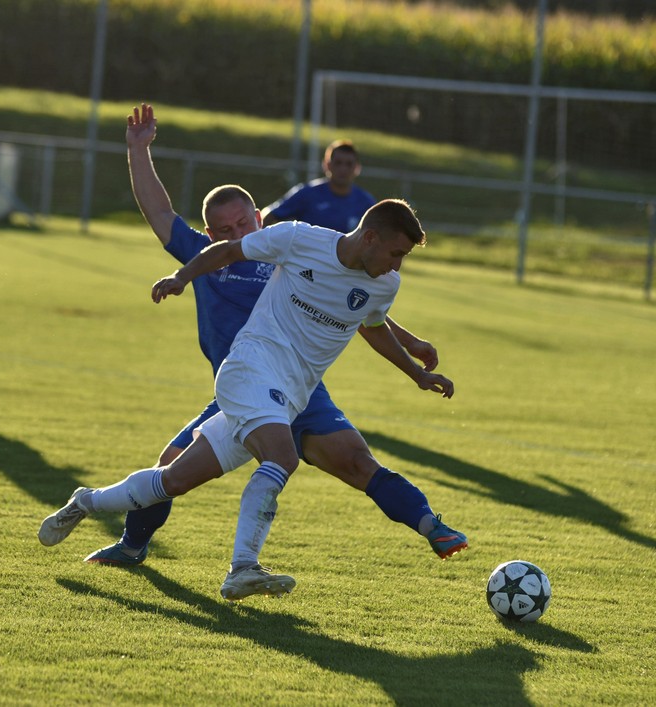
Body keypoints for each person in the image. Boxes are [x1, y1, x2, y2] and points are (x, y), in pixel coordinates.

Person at [40, 107, 458, 600]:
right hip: (246, 378)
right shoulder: (217, 258)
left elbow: (359, 307)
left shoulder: (292, 253)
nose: (235, 233)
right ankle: (166, 551)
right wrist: (139, 151)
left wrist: (411, 352)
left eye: (243, 221)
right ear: (212, 235)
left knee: (346, 462)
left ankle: (87, 501)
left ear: (259, 218)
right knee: (248, 457)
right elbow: (159, 213)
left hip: (299, 392)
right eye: (224, 229)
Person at [262, 139, 375, 232]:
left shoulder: (366, 203)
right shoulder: (308, 193)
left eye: (349, 164)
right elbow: (269, 214)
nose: (343, 169)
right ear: (327, 165)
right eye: (338, 163)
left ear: (357, 168)